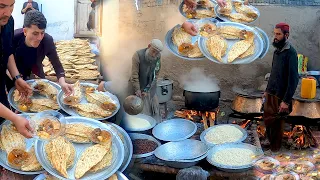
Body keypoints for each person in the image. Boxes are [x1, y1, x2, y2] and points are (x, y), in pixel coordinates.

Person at [6, 10, 73, 95]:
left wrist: (62, 82)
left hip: (36, 75)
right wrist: (14, 77)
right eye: (35, 33)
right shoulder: (14, 38)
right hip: (14, 76)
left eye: (42, 33)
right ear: (25, 31)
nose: (39, 38)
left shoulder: (47, 41)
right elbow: (5, 59)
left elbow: (57, 65)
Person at [263, 22, 299, 152]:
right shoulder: (277, 51)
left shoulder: (291, 53)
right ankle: (269, 141)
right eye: (275, 34)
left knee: (277, 124)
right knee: (268, 119)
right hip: (271, 92)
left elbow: (294, 79)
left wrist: (286, 101)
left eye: (278, 34)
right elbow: (273, 73)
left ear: (286, 35)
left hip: (281, 96)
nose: (275, 37)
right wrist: (267, 91)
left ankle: (275, 151)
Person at [0, 0, 34, 138]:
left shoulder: (8, 22)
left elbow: (7, 52)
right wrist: (14, 118)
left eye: (12, 5)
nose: (8, 13)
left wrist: (16, 77)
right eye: (1, 6)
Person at [129, 39, 163, 122]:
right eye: (153, 51)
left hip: (149, 87)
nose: (154, 55)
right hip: (137, 85)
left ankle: (154, 127)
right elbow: (134, 75)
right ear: (149, 46)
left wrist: (147, 89)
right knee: (140, 112)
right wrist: (137, 90)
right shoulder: (137, 55)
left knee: (154, 110)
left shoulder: (158, 57)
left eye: (157, 53)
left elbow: (156, 75)